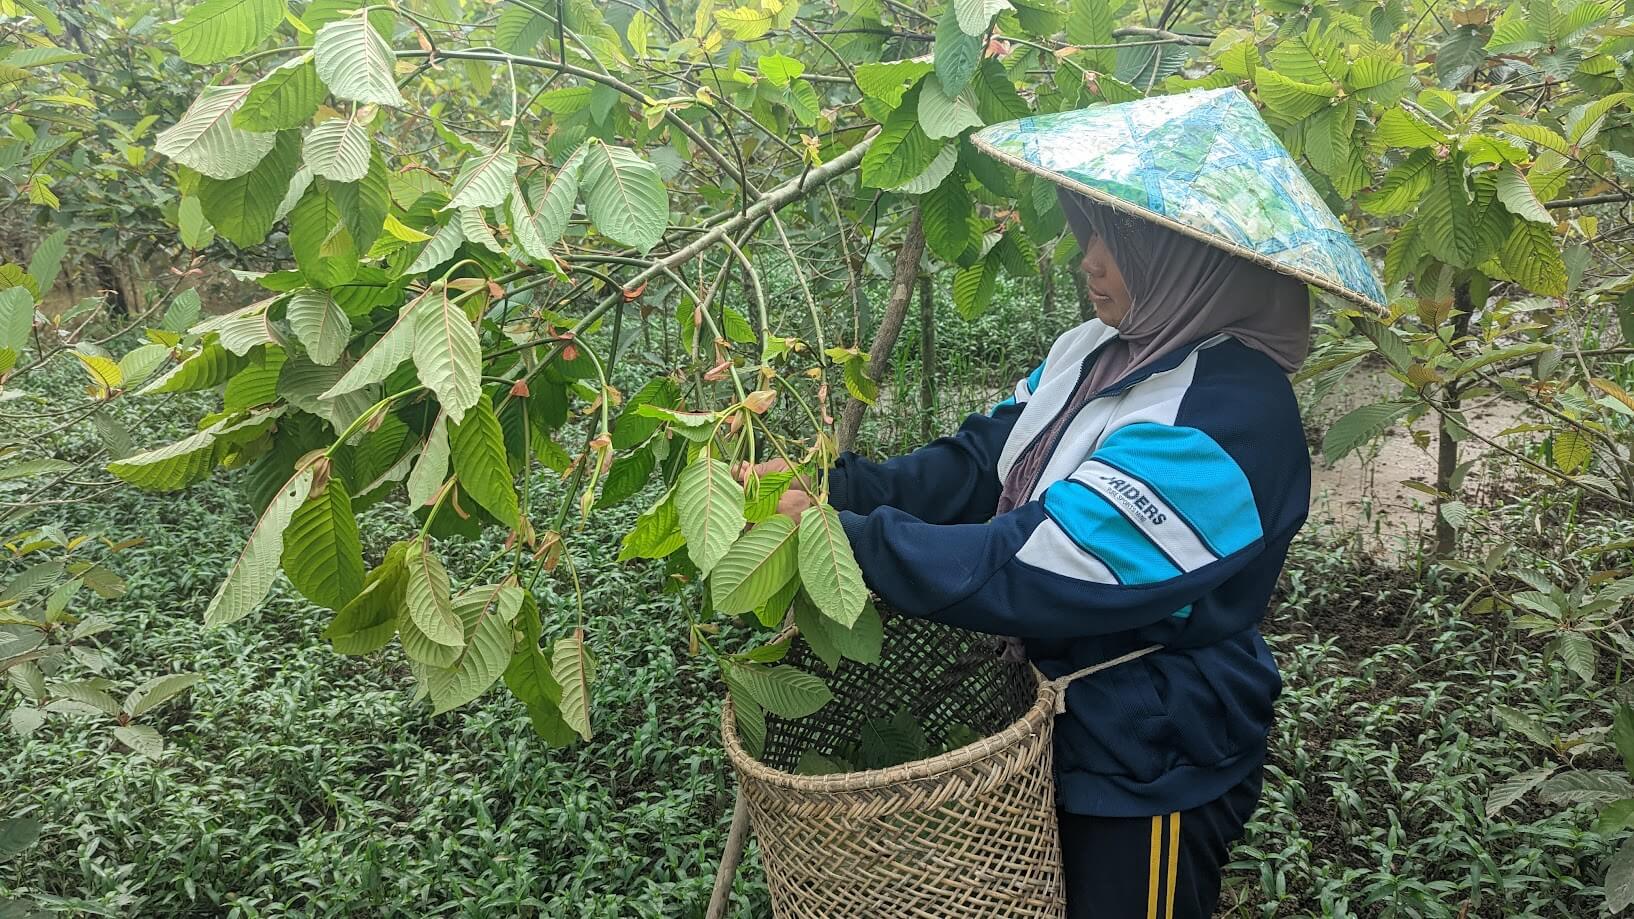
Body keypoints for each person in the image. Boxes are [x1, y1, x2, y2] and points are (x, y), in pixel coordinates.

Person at [738, 88, 1384, 918]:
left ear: (1185, 257)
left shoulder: (1233, 414)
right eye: (1090, 233)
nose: (1089, 261)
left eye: (1118, 243)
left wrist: (848, 542)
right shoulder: (1098, 352)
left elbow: (1042, 561)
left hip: (1149, 750)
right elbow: (983, 463)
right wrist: (833, 485)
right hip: (1059, 710)